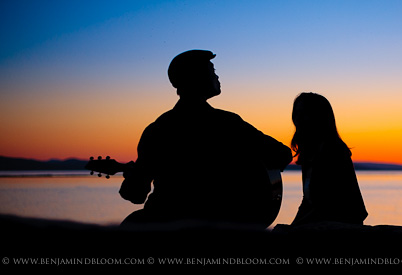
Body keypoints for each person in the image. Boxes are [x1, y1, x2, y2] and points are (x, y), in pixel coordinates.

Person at [118, 50, 292, 227]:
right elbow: (282, 155)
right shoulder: (228, 123)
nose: (217, 77)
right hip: (219, 224)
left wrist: (133, 176)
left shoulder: (157, 129)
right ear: (198, 78)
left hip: (164, 222)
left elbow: (135, 194)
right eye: (212, 71)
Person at [290, 92, 368, 225]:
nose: (298, 119)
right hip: (323, 224)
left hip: (342, 225)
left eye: (304, 113)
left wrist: (293, 228)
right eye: (296, 113)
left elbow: (327, 203)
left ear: (319, 117)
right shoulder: (310, 153)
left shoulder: (333, 151)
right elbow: (309, 201)